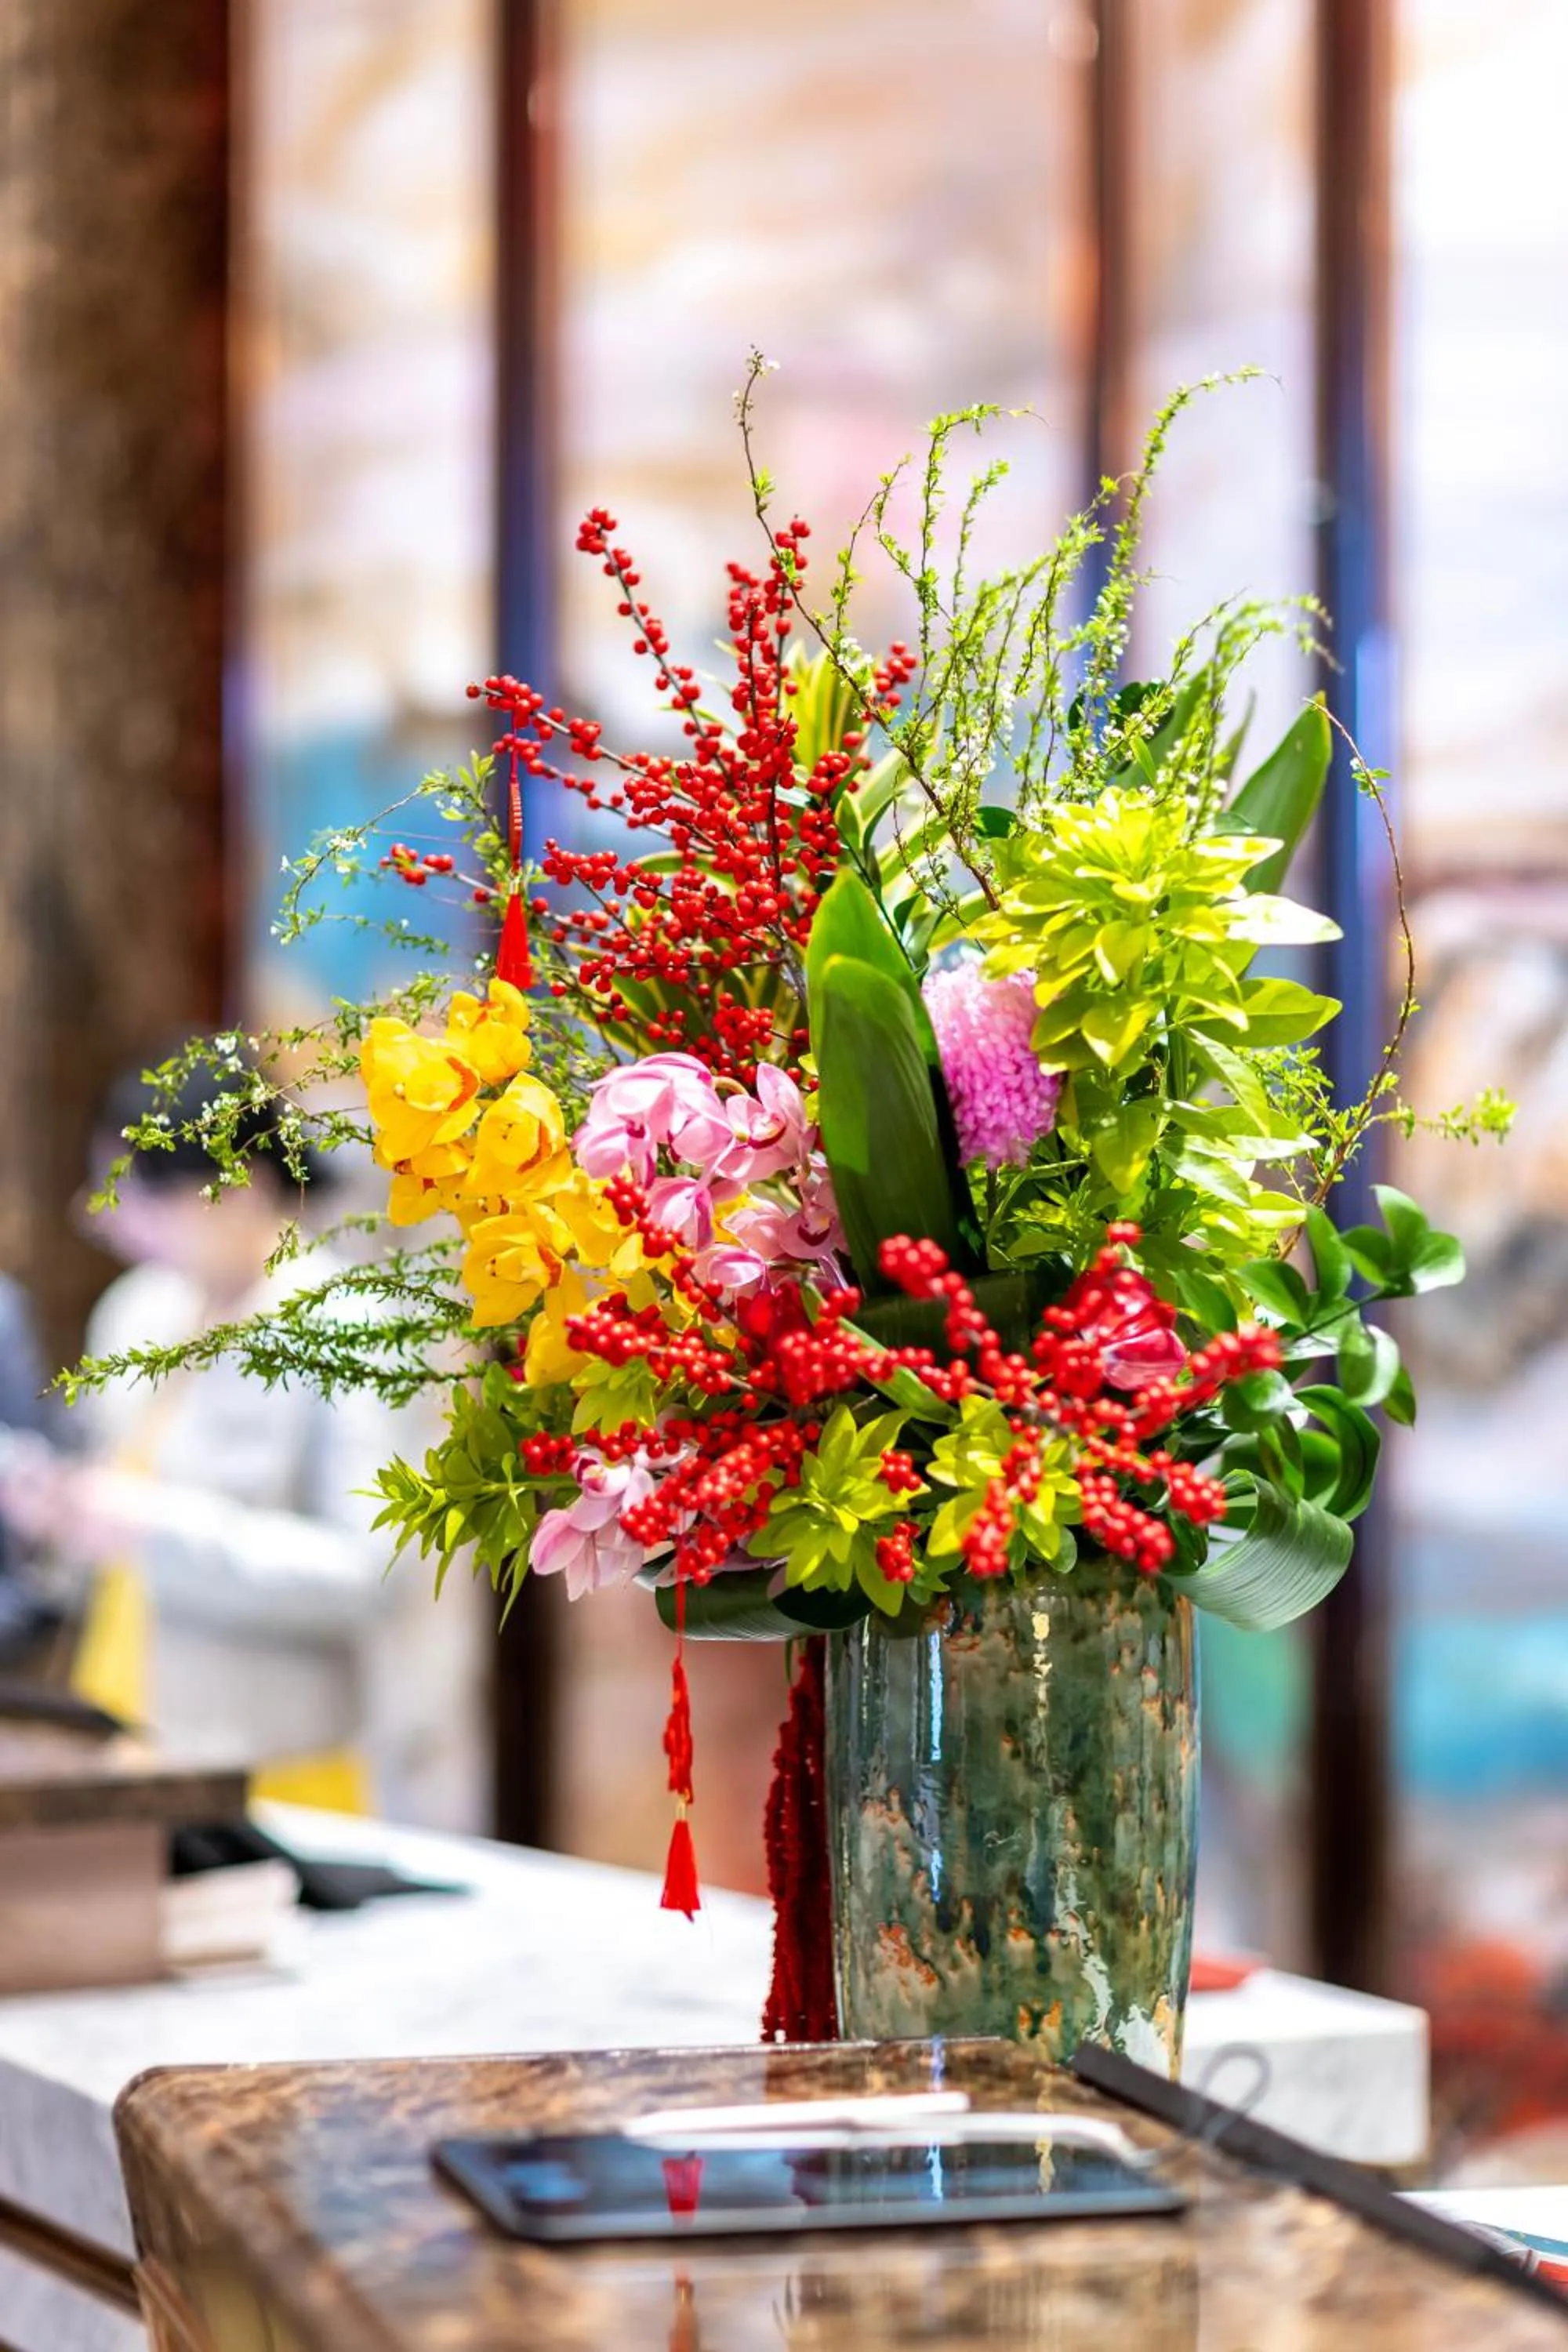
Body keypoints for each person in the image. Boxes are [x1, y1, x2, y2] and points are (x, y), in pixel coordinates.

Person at [0, 1059, 489, 1831]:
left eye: (143, 1198)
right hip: (126, 1721)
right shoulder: (142, 1308)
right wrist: (58, 1510)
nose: (121, 1225)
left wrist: (153, 1526)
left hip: (274, 1758)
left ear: (243, 1187)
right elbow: (109, 1511)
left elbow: (369, 1571)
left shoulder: (346, 1324)